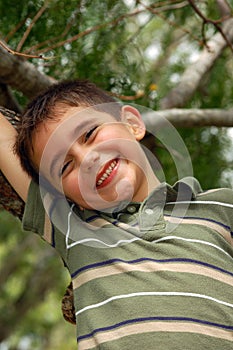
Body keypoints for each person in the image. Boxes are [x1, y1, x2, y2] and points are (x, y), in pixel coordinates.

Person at [0, 79, 233, 350]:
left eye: (89, 133)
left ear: (132, 123)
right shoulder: (77, 231)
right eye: (64, 166)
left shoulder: (220, 207)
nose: (87, 159)